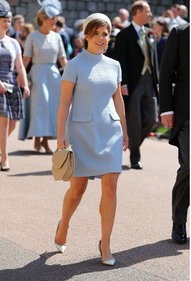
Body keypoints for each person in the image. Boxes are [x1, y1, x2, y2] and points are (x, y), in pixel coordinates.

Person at [54, 13, 128, 266]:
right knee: (78, 190)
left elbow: (118, 99)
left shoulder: (115, 65)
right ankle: (63, 225)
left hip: (110, 131)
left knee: (110, 186)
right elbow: (64, 102)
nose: (101, 38)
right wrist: (61, 134)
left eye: (105, 34)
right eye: (95, 33)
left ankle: (105, 244)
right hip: (81, 132)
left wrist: (125, 131)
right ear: (86, 35)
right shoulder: (74, 64)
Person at [114, 0, 159, 170]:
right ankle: (135, 158)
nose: (150, 14)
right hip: (132, 83)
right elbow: (120, 61)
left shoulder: (150, 33)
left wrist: (158, 81)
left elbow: (154, 60)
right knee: (134, 122)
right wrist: (123, 83)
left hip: (149, 82)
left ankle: (132, 145)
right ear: (137, 13)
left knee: (152, 119)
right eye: (147, 11)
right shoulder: (124, 35)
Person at [18, 0, 67, 153]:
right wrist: (20, 77)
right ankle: (41, 140)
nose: (55, 21)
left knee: (53, 108)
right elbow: (26, 59)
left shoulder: (57, 37)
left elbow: (63, 59)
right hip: (38, 75)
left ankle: (44, 140)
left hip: (53, 76)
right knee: (41, 107)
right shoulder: (33, 36)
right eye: (52, 18)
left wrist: (74, 75)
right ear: (43, 19)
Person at [159, 23, 190, 244]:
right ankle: (179, 221)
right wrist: (166, 109)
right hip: (187, 113)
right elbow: (166, 72)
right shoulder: (180, 33)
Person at [0, 0, 30, 171]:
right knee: (3, 120)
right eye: (4, 19)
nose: (8, 22)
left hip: (10, 82)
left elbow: (19, 66)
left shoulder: (13, 43)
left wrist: (24, 84)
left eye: (9, 19)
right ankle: (4, 158)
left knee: (13, 121)